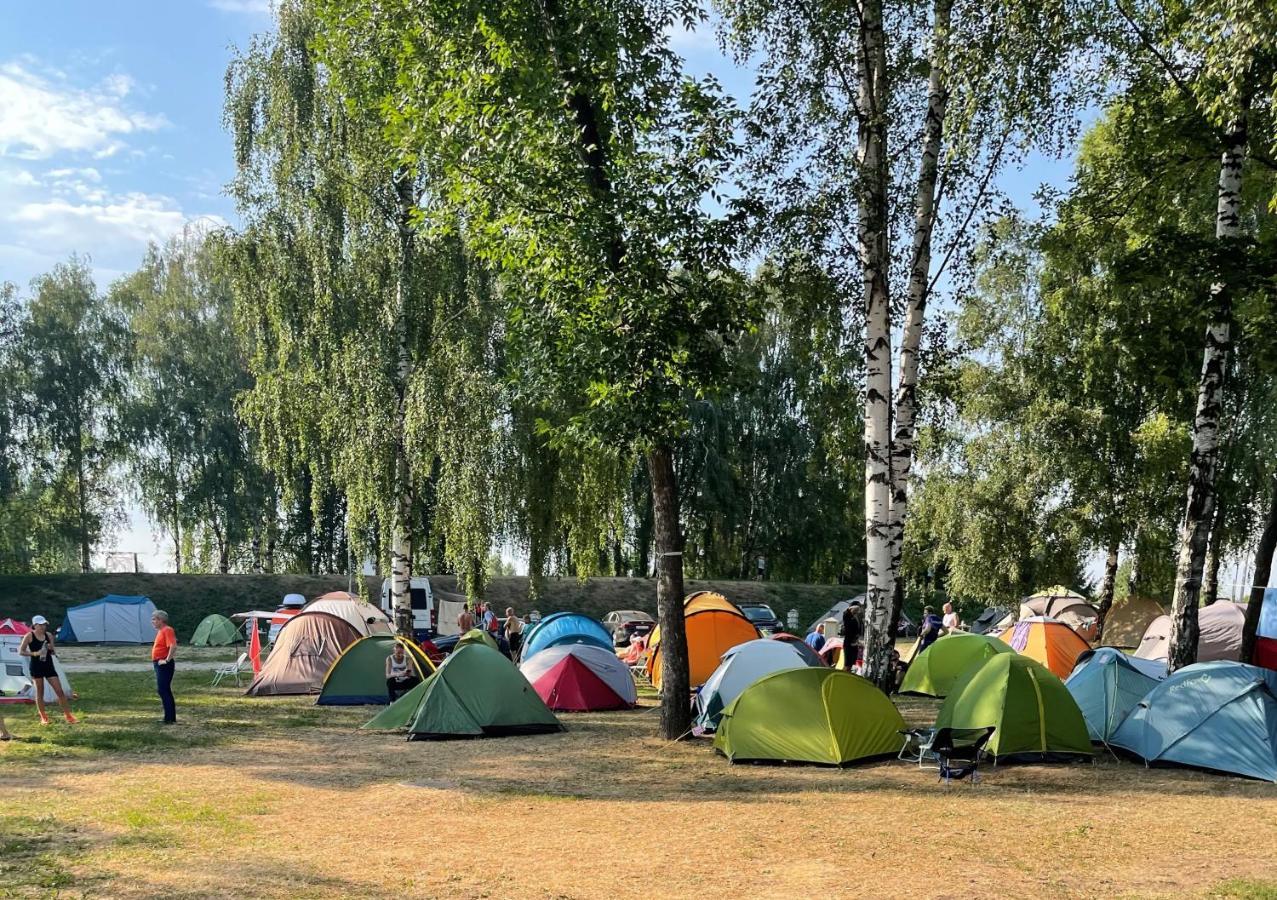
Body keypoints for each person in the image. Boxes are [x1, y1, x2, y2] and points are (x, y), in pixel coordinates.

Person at [19, 616, 76, 726]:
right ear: (35, 625)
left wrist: (50, 648)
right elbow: (21, 652)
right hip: (36, 667)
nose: (43, 627)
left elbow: (53, 651)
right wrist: (35, 653)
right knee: (40, 693)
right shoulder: (29, 636)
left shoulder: (49, 635)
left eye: (44, 624)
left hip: (49, 666)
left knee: (59, 691)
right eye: (40, 625)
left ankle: (69, 716)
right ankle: (43, 717)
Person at [151, 610, 178, 725]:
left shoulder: (167, 630)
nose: (152, 622)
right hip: (159, 663)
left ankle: (169, 718)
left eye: (154, 619)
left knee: (163, 689)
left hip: (164, 664)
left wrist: (167, 660)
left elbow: (173, 645)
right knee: (164, 690)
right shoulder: (161, 631)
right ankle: (169, 718)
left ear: (160, 620)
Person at [841, 603, 864, 671]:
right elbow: (845, 614)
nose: (857, 611)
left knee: (851, 664)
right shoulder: (847, 616)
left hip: (854, 643)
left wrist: (857, 642)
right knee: (847, 665)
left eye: (858, 610)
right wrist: (850, 608)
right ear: (851, 608)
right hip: (848, 643)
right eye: (856, 609)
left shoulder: (855, 617)